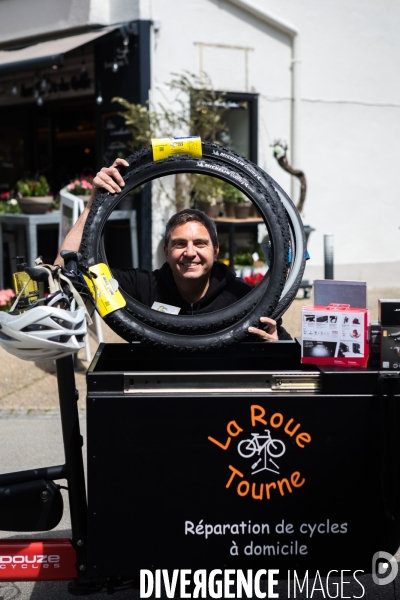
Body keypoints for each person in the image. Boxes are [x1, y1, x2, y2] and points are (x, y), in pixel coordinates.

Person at [56, 158, 291, 341]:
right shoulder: (143, 288)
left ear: (215, 250)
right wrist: (93, 206)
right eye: (180, 244)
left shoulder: (243, 298)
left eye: (200, 243)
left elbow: (289, 353)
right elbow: (63, 271)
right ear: (166, 251)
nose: (190, 252)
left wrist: (275, 344)